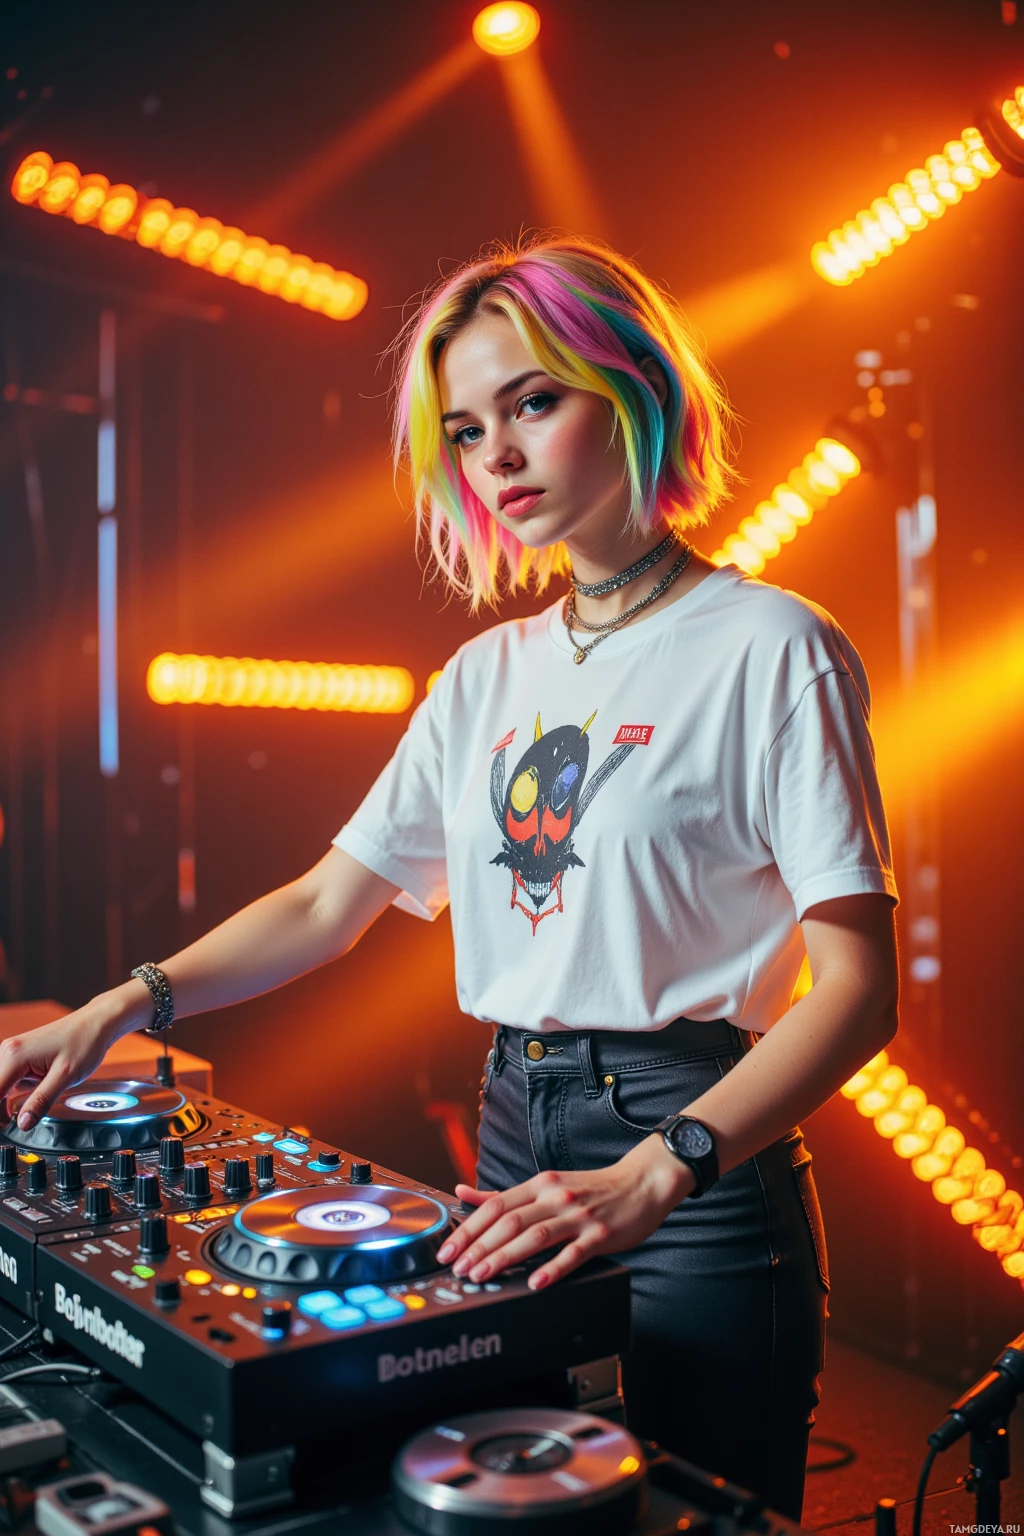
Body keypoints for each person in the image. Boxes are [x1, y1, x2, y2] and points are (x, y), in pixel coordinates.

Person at [0, 237, 899, 1521]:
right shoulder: (484, 675)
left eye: (532, 403)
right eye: (468, 432)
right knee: (499, 1506)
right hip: (511, 1128)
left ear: (635, 390)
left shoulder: (772, 645)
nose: (498, 457)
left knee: (703, 1513)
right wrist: (119, 1006)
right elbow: (325, 903)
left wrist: (658, 1169)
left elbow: (857, 990)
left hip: (696, 1146)